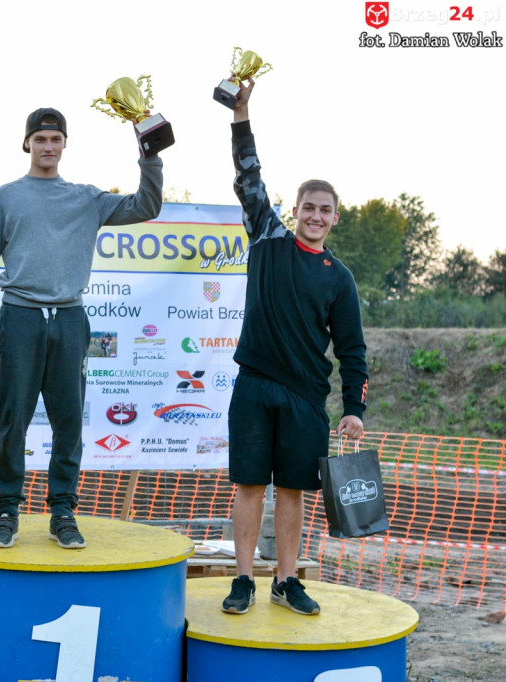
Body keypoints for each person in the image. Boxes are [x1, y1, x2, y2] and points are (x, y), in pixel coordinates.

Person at [0, 107, 164, 549]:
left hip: (71, 319)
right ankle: (7, 509)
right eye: (40, 140)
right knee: (13, 417)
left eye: (55, 139)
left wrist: (148, 149)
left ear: (65, 144)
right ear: (27, 145)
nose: (48, 147)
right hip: (20, 317)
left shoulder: (86, 198)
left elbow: (146, 205)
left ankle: (62, 511)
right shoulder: (6, 196)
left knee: (69, 420)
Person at [221, 79, 368, 616]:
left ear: (334, 217)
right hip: (254, 386)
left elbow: (352, 350)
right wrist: (241, 112)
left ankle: (286, 580)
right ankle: (243, 580)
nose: (315, 215)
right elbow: (247, 174)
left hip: (307, 399)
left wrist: (353, 408)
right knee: (250, 486)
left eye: (325, 210)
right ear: (296, 208)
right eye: (308, 206)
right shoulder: (267, 236)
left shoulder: (339, 278)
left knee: (292, 493)